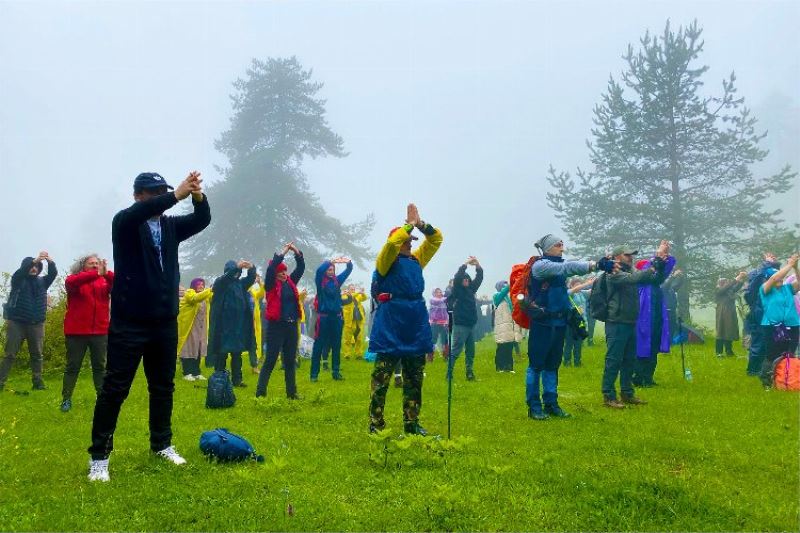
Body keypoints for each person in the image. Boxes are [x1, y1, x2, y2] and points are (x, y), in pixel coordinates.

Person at [88, 171, 210, 482]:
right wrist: (176, 195)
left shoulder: (169, 226)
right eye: (153, 193)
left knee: (162, 387)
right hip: (130, 323)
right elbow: (138, 213)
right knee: (115, 389)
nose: (159, 198)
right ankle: (99, 456)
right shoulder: (125, 223)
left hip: (163, 322)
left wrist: (196, 195)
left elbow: (202, 220)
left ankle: (162, 444)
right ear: (138, 196)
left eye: (163, 192)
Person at [368, 203, 442, 435]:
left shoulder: (416, 260)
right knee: (381, 378)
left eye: (412, 240)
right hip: (390, 321)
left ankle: (412, 423)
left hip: (415, 322)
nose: (411, 243)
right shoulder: (385, 261)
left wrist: (421, 225)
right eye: (408, 240)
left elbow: (436, 240)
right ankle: (376, 423)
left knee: (414, 378)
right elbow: (391, 244)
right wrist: (408, 225)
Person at [524, 234, 614, 420]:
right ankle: (534, 407)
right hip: (542, 323)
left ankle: (551, 404)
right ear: (548, 248)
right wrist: (594, 264)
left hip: (558, 323)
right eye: (558, 244)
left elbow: (564, 277)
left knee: (552, 365)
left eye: (562, 244)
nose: (562, 247)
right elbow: (567, 267)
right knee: (536, 366)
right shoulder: (541, 266)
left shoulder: (556, 268)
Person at [601, 243, 669, 409]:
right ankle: (609, 395)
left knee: (629, 360)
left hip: (631, 320)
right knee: (614, 360)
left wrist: (660, 266)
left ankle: (627, 393)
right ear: (617, 257)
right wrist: (654, 263)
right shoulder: (613, 272)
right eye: (627, 255)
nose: (631, 257)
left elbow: (654, 280)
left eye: (632, 255)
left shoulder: (631, 270)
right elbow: (634, 279)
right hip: (616, 321)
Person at [60, 254, 112, 412]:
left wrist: (106, 273)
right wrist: (95, 274)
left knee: (100, 367)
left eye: (97, 263)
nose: (95, 266)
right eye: (91, 263)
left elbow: (119, 282)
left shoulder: (103, 281)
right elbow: (70, 282)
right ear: (84, 265)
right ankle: (66, 399)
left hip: (100, 331)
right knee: (73, 367)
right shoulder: (75, 280)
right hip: (76, 332)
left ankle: (102, 398)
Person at [0, 252, 58, 391]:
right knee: (10, 354)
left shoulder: (43, 282)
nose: (34, 268)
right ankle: (0, 382)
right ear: (26, 267)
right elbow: (21, 271)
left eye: (37, 266)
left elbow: (53, 274)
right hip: (17, 323)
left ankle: (37, 383)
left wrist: (50, 262)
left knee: (37, 354)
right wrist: (35, 260)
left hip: (37, 323)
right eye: (32, 266)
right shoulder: (18, 279)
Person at [256, 242, 305, 399]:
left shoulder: (291, 283)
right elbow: (271, 268)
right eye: (281, 272)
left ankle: (292, 393)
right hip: (276, 327)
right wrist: (284, 251)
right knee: (270, 359)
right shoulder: (270, 285)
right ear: (276, 274)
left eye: (285, 271)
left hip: (291, 326)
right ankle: (260, 393)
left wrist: (296, 251)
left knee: (290, 361)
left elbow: (301, 268)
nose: (285, 274)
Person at [631, 242, 677, 387]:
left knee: (655, 341)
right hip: (643, 316)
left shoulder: (656, 284)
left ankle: (648, 377)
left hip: (656, 314)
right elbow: (651, 269)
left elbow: (663, 272)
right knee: (643, 342)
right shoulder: (640, 280)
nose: (653, 270)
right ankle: (638, 377)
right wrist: (658, 255)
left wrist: (665, 256)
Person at [209, 260, 257, 387]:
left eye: (238, 272)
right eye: (235, 271)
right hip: (223, 326)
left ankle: (237, 380)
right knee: (222, 353)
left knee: (237, 354)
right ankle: (218, 379)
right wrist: (236, 267)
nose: (237, 274)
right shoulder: (221, 283)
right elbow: (226, 278)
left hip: (238, 326)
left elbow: (251, 278)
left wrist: (252, 268)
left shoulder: (240, 284)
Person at [759, 254, 800, 389]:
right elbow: (775, 277)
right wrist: (789, 264)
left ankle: (786, 380)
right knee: (772, 354)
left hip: (792, 325)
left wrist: (795, 268)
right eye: (778, 278)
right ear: (768, 278)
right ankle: (767, 382)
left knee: (789, 354)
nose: (780, 279)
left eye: (782, 278)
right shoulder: (765, 289)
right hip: (772, 327)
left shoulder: (787, 288)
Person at [310, 256, 353, 382]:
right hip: (323, 318)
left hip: (337, 318)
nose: (330, 271)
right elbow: (318, 271)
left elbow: (348, 271)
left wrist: (348, 263)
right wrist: (330, 261)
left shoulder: (337, 281)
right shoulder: (320, 281)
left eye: (332, 270)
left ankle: (336, 372)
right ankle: (314, 375)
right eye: (328, 270)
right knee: (318, 345)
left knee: (336, 345)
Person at [446, 257, 483, 381]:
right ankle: (449, 374)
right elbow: (457, 277)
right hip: (461, 325)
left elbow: (479, 278)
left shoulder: (471, 289)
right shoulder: (457, 290)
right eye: (464, 279)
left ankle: (469, 373)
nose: (466, 281)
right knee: (456, 351)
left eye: (468, 279)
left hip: (471, 325)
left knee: (470, 352)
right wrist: (466, 264)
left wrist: (477, 265)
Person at [744, 253, 781, 376]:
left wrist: (772, 264)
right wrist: (767, 263)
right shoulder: (756, 282)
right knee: (759, 342)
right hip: (759, 313)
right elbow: (758, 277)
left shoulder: (772, 280)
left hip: (770, 313)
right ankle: (753, 370)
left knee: (771, 342)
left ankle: (767, 369)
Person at [177, 277, 212, 381]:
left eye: (202, 284)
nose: (201, 286)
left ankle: (196, 372)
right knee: (188, 349)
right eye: (199, 284)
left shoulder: (205, 297)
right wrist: (210, 290)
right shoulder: (189, 293)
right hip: (189, 327)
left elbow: (213, 296)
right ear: (194, 285)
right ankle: (187, 373)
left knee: (198, 349)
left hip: (201, 328)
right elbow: (195, 299)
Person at [563, 277, 593, 367]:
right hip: (571, 323)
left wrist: (597, 281)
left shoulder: (581, 293)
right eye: (577, 285)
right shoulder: (569, 293)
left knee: (578, 342)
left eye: (580, 284)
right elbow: (575, 290)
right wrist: (587, 283)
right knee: (569, 343)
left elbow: (591, 291)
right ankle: (567, 362)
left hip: (581, 321)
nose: (579, 287)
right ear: (571, 285)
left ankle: (577, 362)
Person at [715, 272, 747, 357]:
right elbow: (727, 287)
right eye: (726, 282)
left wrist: (742, 279)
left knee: (729, 331)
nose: (727, 284)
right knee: (721, 331)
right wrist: (737, 278)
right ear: (722, 284)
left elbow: (736, 287)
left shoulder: (729, 291)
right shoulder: (719, 290)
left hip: (730, 312)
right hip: (722, 313)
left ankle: (729, 351)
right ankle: (719, 352)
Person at [493, 280, 515, 373]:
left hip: (509, 325)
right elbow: (504, 292)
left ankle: (509, 367)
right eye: (504, 285)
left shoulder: (509, 298)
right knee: (501, 346)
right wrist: (511, 283)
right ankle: (500, 367)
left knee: (509, 346)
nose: (506, 287)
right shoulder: (496, 296)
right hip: (501, 326)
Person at [246, 274, 266, 374]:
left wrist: (259, 282)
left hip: (254, 323)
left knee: (253, 344)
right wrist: (252, 282)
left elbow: (262, 292)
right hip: (243, 323)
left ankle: (254, 366)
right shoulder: (243, 291)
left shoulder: (254, 294)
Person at [341, 284, 368, 359]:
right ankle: (347, 354)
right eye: (351, 289)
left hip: (358, 320)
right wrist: (358, 292)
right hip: (349, 320)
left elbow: (364, 298)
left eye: (353, 289)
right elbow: (351, 297)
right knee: (347, 339)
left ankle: (359, 354)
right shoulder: (345, 296)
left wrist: (362, 293)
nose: (353, 290)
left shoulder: (357, 296)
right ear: (348, 290)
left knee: (359, 338)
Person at [428, 288, 449, 360]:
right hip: (434, 323)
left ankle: (446, 356)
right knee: (433, 340)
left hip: (444, 323)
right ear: (434, 294)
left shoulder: (443, 300)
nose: (439, 293)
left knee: (445, 340)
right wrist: (447, 297)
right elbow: (439, 301)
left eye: (440, 292)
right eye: (438, 292)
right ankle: (430, 357)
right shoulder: (432, 300)